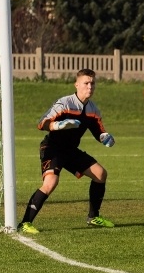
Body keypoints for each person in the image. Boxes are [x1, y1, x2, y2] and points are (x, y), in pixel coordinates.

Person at [17, 69, 115, 234]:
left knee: (100, 174)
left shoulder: (93, 110)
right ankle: (25, 222)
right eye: (86, 83)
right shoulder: (65, 103)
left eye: (92, 83)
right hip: (52, 148)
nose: (90, 87)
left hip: (70, 150)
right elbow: (42, 123)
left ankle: (93, 217)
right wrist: (57, 125)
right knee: (50, 183)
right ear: (77, 84)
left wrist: (105, 138)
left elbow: (99, 131)